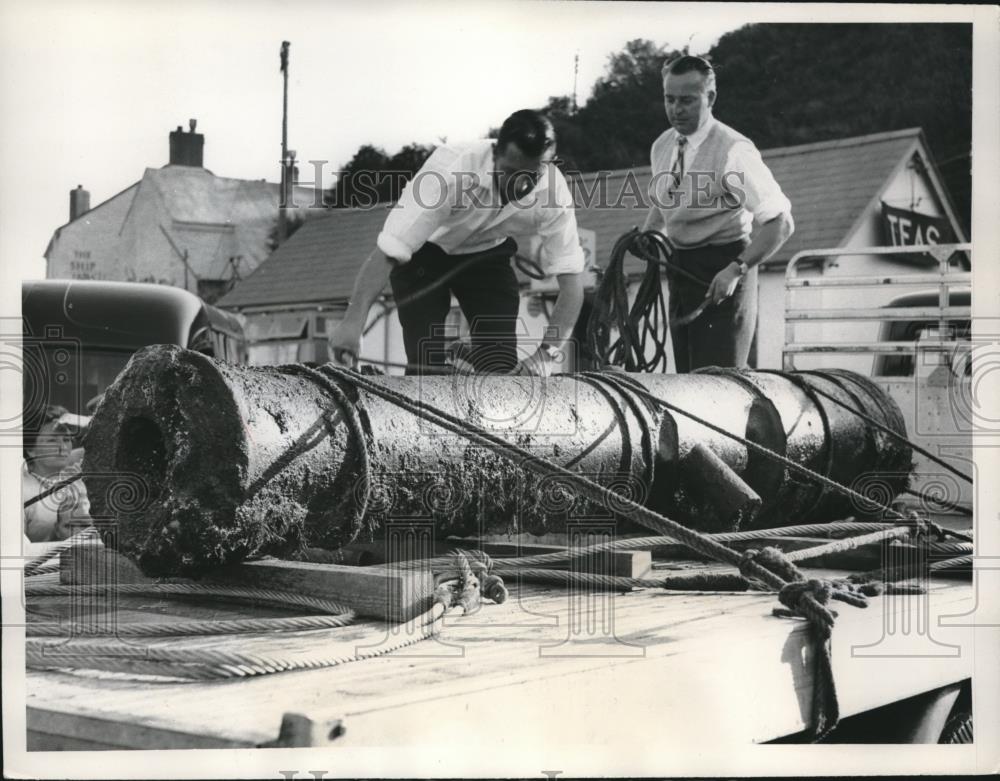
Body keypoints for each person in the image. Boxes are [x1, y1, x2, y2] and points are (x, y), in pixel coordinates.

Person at [328, 109, 586, 376]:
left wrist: (546, 356)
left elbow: (572, 286)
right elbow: (387, 252)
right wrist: (353, 323)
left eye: (531, 177)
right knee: (426, 368)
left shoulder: (554, 192)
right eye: (510, 172)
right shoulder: (450, 173)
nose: (519, 187)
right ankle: (449, 363)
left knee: (501, 370)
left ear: (547, 166)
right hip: (424, 254)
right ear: (495, 154)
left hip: (487, 255)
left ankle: (469, 357)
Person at [642, 55, 794, 372]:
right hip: (681, 269)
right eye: (669, 100)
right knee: (686, 382)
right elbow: (663, 201)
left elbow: (780, 223)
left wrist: (735, 270)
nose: (676, 109)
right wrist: (649, 235)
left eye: (686, 100)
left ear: (710, 98)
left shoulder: (735, 150)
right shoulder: (661, 146)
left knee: (718, 385)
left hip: (725, 268)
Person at [23, 405, 91, 543]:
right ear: (30, 449)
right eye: (52, 440)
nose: (63, 448)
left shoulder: (78, 478)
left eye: (66, 440)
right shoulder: (20, 491)